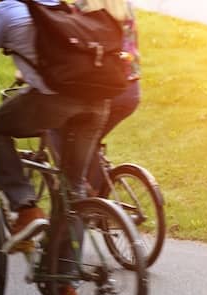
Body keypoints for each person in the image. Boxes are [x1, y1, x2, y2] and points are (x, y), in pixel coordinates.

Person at [0, 0, 109, 295]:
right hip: (97, 102)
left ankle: (26, 209)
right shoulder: (62, 6)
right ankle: (62, 283)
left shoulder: (2, 12)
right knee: (73, 188)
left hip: (55, 101)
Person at [75, 0, 141, 195]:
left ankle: (92, 200)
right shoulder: (125, 5)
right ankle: (98, 198)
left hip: (104, 91)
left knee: (72, 136)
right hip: (130, 91)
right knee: (90, 139)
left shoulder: (83, 6)